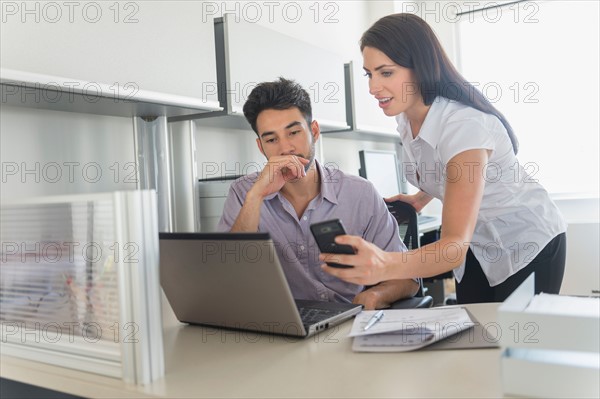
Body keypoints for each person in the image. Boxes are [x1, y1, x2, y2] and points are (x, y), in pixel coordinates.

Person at [321, 13, 567, 304]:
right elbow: (445, 167)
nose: (373, 87)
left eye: (386, 72)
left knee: (516, 343)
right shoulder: (405, 118)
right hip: (477, 245)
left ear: (419, 67)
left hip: (525, 241)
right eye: (369, 74)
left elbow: (452, 247)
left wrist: (384, 264)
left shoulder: (465, 126)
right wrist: (422, 197)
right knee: (475, 339)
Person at [217, 77, 418, 309]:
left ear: (313, 131)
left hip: (351, 322)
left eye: (293, 133)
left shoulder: (360, 193)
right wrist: (256, 197)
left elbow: (408, 278)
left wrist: (375, 296)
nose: (285, 148)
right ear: (261, 147)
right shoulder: (245, 193)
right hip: (282, 327)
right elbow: (229, 277)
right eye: (272, 139)